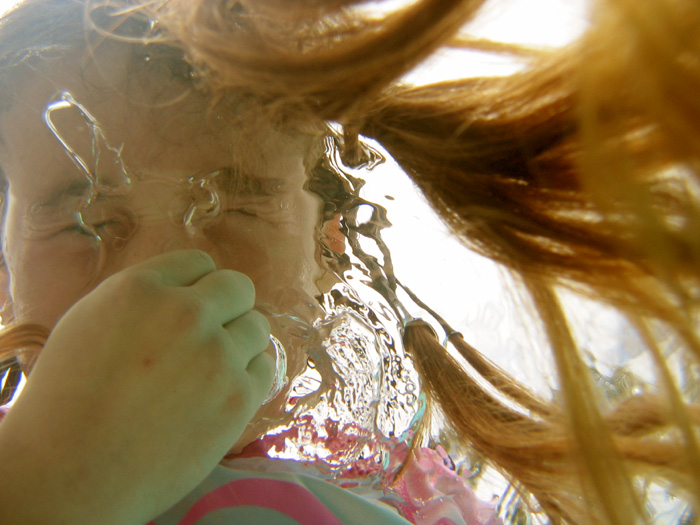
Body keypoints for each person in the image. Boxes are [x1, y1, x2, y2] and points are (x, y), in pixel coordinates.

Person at [0, 0, 699, 523]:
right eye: (81, 220)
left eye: (238, 207)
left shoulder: (418, 492)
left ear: (327, 252)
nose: (154, 279)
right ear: (4, 282)